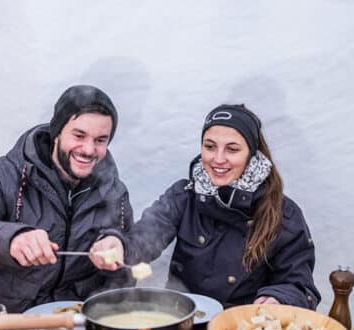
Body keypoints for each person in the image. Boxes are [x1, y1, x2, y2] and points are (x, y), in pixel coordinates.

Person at [90, 103, 320, 309]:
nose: (218, 159)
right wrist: (118, 244)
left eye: (232, 149)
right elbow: (144, 238)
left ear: (252, 154)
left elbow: (300, 286)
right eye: (210, 147)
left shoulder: (283, 214)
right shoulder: (184, 196)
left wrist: (279, 298)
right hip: (182, 319)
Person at [0, 85, 134, 313]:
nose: (89, 149)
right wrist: (12, 239)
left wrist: (118, 246)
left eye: (100, 140)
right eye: (79, 135)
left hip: (79, 325)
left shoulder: (115, 193)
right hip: (12, 323)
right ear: (57, 132)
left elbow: (127, 265)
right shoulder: (3, 175)